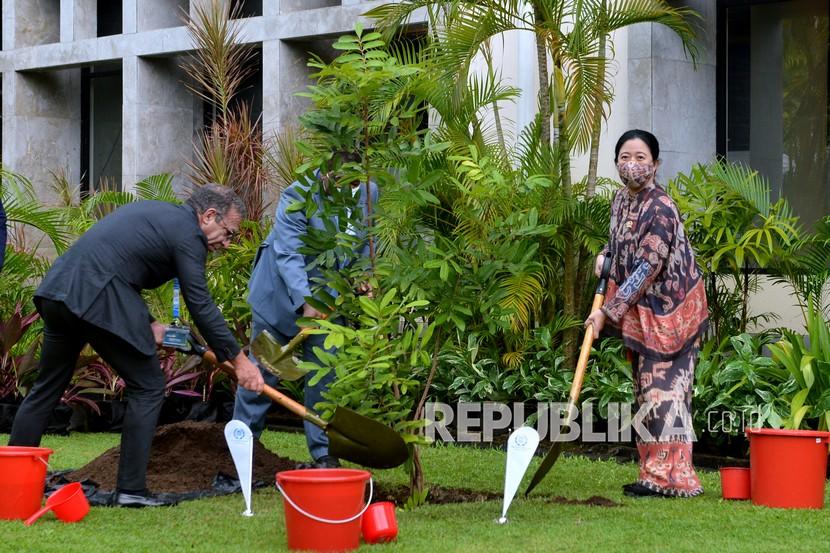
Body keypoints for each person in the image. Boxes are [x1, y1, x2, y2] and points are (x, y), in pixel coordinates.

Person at [8, 184, 264, 507]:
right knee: (149, 386)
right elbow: (200, 304)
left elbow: (120, 266)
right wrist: (241, 362)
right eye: (228, 233)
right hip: (95, 294)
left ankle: (14, 480)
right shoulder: (189, 234)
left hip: (59, 291)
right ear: (209, 216)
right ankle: (131, 491)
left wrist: (149, 325)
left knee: (46, 388)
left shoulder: (161, 216)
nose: (226, 244)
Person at [585, 129, 708, 498]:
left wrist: (607, 311)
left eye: (640, 158)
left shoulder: (661, 207)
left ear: (655, 164)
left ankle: (675, 478)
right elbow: (620, 242)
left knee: (666, 394)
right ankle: (651, 473)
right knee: (644, 392)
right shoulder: (621, 200)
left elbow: (646, 266)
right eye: (625, 156)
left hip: (674, 313)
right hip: (643, 314)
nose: (632, 164)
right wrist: (605, 256)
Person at [236, 163, 377, 468]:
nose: (347, 188)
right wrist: (306, 300)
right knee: (264, 374)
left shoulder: (369, 191)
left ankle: (324, 455)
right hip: (280, 299)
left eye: (353, 182)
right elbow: (288, 253)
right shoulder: (298, 193)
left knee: (325, 376)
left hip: (330, 302)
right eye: (339, 180)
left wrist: (364, 274)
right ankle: (242, 453)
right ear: (324, 171)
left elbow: (367, 239)